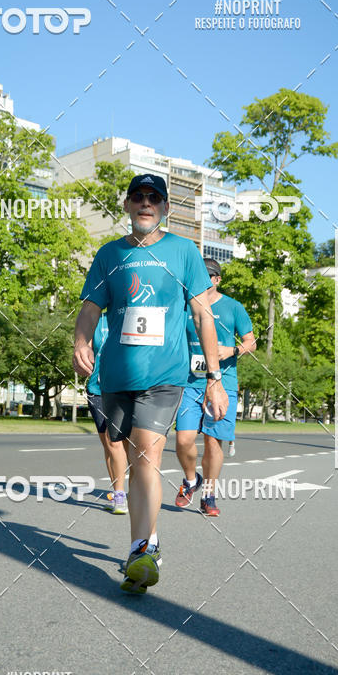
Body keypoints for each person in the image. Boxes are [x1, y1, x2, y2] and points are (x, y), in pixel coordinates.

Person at [73, 174, 228, 594]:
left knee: (147, 455)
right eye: (138, 197)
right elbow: (90, 308)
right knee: (130, 456)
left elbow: (202, 315)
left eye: (154, 198)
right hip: (116, 375)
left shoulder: (183, 251)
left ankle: (140, 550)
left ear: (164, 208)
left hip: (165, 376)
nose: (146, 203)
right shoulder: (109, 254)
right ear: (126, 205)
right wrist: (81, 342)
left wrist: (214, 378)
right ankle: (147, 543)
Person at [174, 258, 255, 516]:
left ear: (217, 279)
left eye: (207, 275)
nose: (202, 278)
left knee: (213, 441)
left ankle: (208, 494)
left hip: (223, 383)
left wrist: (232, 350)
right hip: (190, 382)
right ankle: (191, 480)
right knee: (183, 439)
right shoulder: (185, 305)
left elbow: (251, 342)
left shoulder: (233, 307)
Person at [85, 311, 129, 513]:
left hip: (125, 389)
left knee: (119, 443)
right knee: (109, 444)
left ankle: (128, 491)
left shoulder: (131, 316)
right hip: (97, 389)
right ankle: (118, 493)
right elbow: (86, 348)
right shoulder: (96, 320)